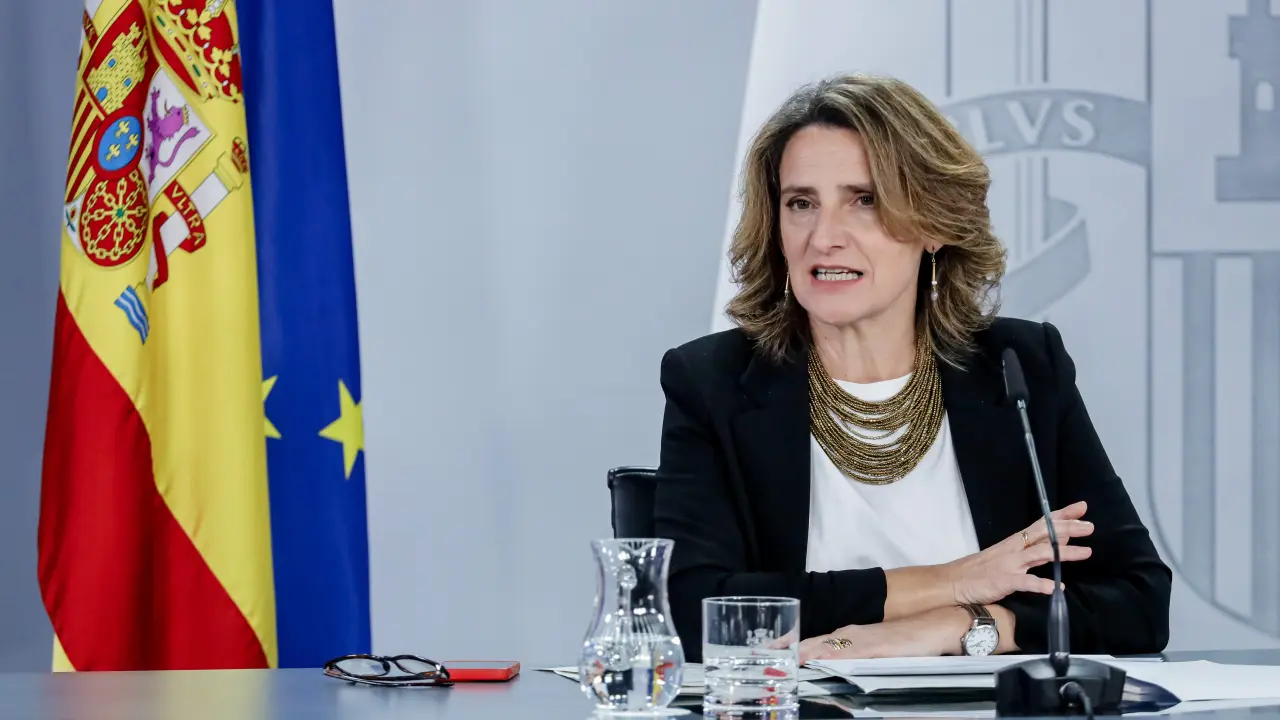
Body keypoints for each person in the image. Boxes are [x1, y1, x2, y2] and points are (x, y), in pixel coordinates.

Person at [653, 73, 1171, 663]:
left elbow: (1139, 601)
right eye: (801, 203)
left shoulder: (1019, 367)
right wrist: (951, 581)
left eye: (865, 200)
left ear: (933, 224)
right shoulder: (714, 381)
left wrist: (957, 626)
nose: (824, 237)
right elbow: (692, 612)